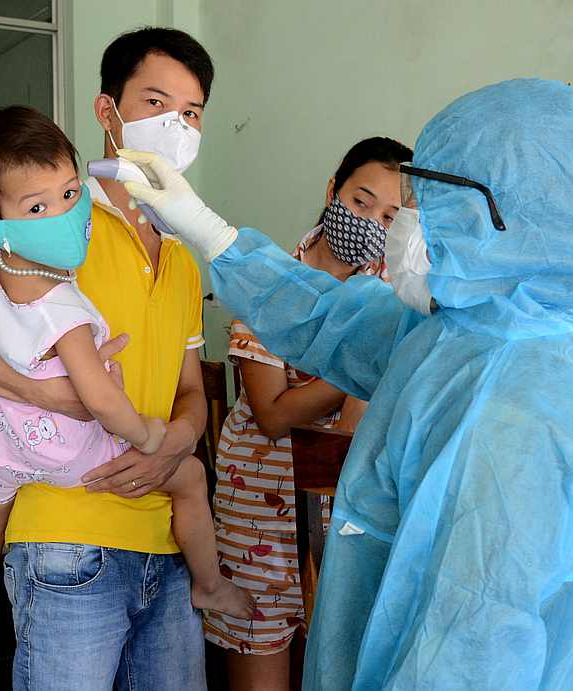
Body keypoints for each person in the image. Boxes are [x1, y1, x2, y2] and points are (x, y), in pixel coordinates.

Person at [120, 78, 573, 689]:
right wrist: (212, 233)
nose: (402, 223)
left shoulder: (521, 395)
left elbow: (477, 639)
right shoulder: (466, 329)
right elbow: (331, 319)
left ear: (496, 216)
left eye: (423, 203)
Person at [0, 28, 219, 690]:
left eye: (191, 112)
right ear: (107, 111)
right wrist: (45, 394)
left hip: (168, 545)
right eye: (155, 102)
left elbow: (192, 391)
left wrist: (176, 442)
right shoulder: (51, 226)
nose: (175, 126)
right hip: (68, 540)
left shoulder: (180, 257)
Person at [204, 136, 411, 690]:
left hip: (342, 505)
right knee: (260, 651)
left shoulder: (394, 298)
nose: (371, 222)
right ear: (332, 191)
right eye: (361, 201)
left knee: (342, 660)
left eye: (391, 215)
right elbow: (272, 414)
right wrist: (367, 361)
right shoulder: (271, 282)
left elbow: (353, 432)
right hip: (259, 503)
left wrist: (374, 358)